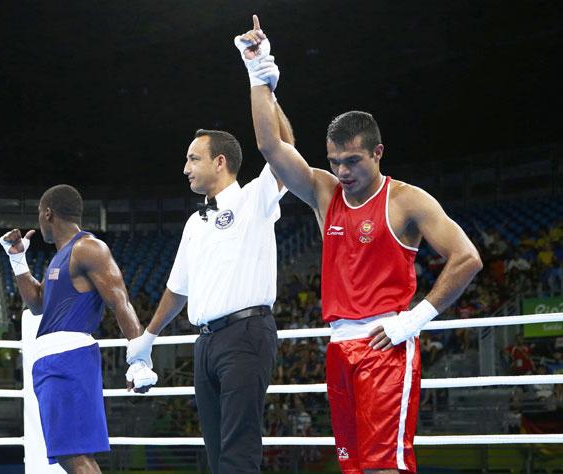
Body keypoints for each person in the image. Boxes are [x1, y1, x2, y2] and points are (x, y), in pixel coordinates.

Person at [235, 16, 483, 473]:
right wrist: (258, 74)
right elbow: (272, 149)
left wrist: (416, 318)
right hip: (338, 348)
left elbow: (466, 257)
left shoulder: (406, 201)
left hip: (386, 344)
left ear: (377, 153)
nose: (343, 171)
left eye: (352, 161)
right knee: (354, 468)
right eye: (336, 161)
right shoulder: (324, 193)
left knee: (386, 467)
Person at [126, 124, 293, 473]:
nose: (185, 168)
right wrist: (148, 337)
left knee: (238, 448)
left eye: (193, 159)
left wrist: (264, 86)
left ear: (220, 162)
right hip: (205, 343)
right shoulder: (194, 223)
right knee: (216, 451)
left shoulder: (254, 198)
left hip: (246, 334)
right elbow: (177, 289)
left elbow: (284, 147)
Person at [0, 184, 157, 474]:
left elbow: (119, 300)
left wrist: (139, 357)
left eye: (38, 214)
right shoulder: (60, 257)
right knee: (66, 454)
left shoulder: (88, 247)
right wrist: (17, 259)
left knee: (73, 455)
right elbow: (37, 304)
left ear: (48, 213)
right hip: (53, 360)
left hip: (68, 359)